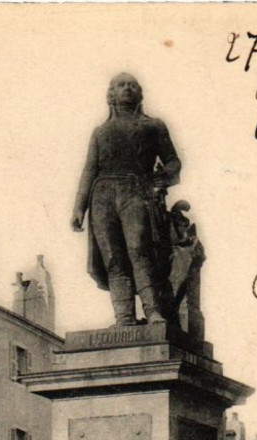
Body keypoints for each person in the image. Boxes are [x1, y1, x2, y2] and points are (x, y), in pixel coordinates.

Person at [71, 72, 181, 326]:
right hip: (102, 195)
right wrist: (79, 207)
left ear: (139, 93)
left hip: (136, 190)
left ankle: (153, 312)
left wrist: (163, 177)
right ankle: (124, 317)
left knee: (140, 250)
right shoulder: (100, 132)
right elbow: (89, 170)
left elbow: (174, 161)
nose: (127, 89)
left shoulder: (153, 126)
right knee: (112, 257)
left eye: (132, 85)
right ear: (111, 93)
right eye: (121, 85)